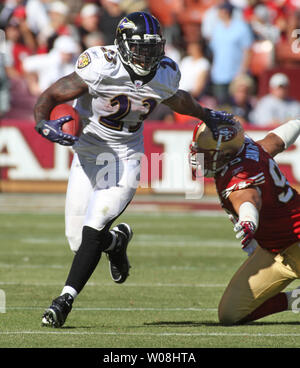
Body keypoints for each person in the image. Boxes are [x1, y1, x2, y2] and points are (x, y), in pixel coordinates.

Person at [33, 11, 236, 328]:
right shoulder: (102, 65)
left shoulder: (165, 73)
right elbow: (52, 94)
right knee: (77, 241)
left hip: (126, 156)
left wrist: (206, 115)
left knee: (95, 223)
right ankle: (116, 242)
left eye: (152, 48)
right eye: (139, 47)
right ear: (122, 45)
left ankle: (64, 300)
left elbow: (176, 99)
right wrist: (42, 122)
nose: (146, 54)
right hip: (87, 153)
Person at [189, 116, 300, 325]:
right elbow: (275, 141)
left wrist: (248, 220)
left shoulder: (237, 174)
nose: (198, 157)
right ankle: (295, 300)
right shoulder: (245, 148)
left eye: (205, 153)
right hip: (273, 250)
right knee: (231, 314)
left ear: (226, 153)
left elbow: (249, 198)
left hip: (296, 240)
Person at [209, 2, 254, 105]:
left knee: (237, 106)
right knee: (221, 106)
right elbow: (214, 51)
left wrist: (242, 71)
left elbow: (248, 51)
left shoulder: (241, 27)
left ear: (226, 12)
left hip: (236, 75)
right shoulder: (217, 28)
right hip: (219, 75)